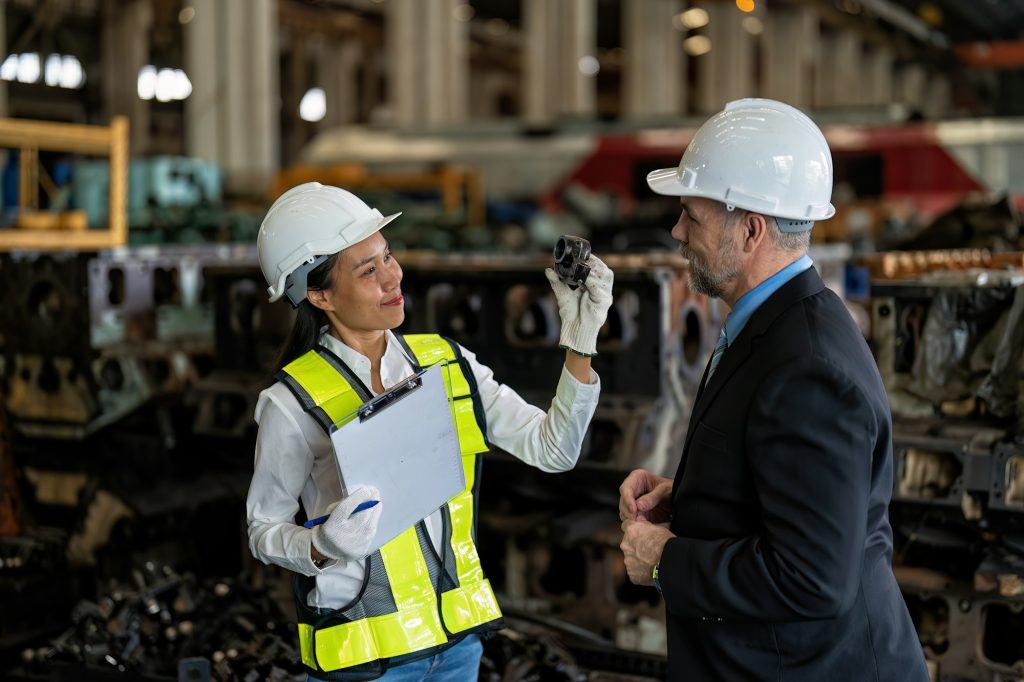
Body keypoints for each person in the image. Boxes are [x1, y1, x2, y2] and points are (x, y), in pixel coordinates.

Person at [246, 182, 614, 681]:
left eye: (388, 257)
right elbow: (263, 530)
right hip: (365, 661)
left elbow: (554, 450)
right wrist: (320, 546)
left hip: (457, 648)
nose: (392, 277)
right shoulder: (290, 404)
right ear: (318, 293)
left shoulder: (446, 363)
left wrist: (581, 341)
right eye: (367, 270)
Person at [617, 99, 929, 681]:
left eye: (693, 215)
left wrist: (666, 560)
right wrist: (689, 495)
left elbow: (811, 578)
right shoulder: (774, 324)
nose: (677, 230)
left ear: (752, 228)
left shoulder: (806, 367)